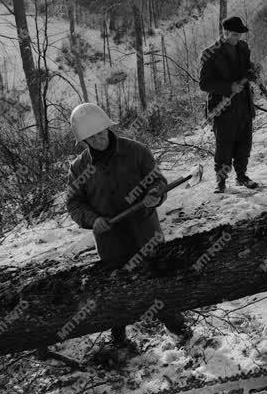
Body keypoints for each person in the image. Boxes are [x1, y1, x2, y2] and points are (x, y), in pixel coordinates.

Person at [66, 103, 191, 348]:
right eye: (92, 137)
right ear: (83, 141)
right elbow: (74, 204)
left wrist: (155, 193)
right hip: (111, 241)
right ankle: (119, 339)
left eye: (101, 132)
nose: (99, 139)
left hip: (144, 233)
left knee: (157, 281)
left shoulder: (137, 151)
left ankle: (179, 329)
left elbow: (157, 181)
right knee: (115, 289)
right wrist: (93, 220)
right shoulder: (79, 168)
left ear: (108, 127)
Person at [199, 16, 259, 194]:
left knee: (244, 145)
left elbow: (247, 70)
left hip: (244, 105)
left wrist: (254, 73)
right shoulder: (209, 53)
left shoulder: (243, 47)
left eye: (239, 35)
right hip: (222, 108)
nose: (237, 38)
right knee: (224, 147)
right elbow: (204, 84)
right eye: (234, 34)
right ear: (224, 33)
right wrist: (228, 87)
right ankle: (221, 182)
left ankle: (242, 176)